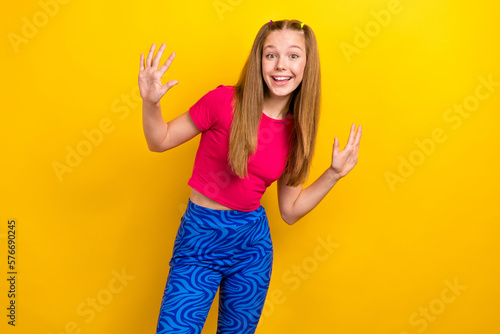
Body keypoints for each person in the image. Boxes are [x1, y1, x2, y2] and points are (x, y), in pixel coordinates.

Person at [138, 19, 362, 334]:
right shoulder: (223, 101)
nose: (281, 65)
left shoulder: (296, 132)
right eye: (271, 54)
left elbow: (290, 210)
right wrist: (151, 103)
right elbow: (159, 140)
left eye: (294, 55)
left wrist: (333, 174)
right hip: (199, 238)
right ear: (259, 60)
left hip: (251, 248)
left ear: (307, 65)